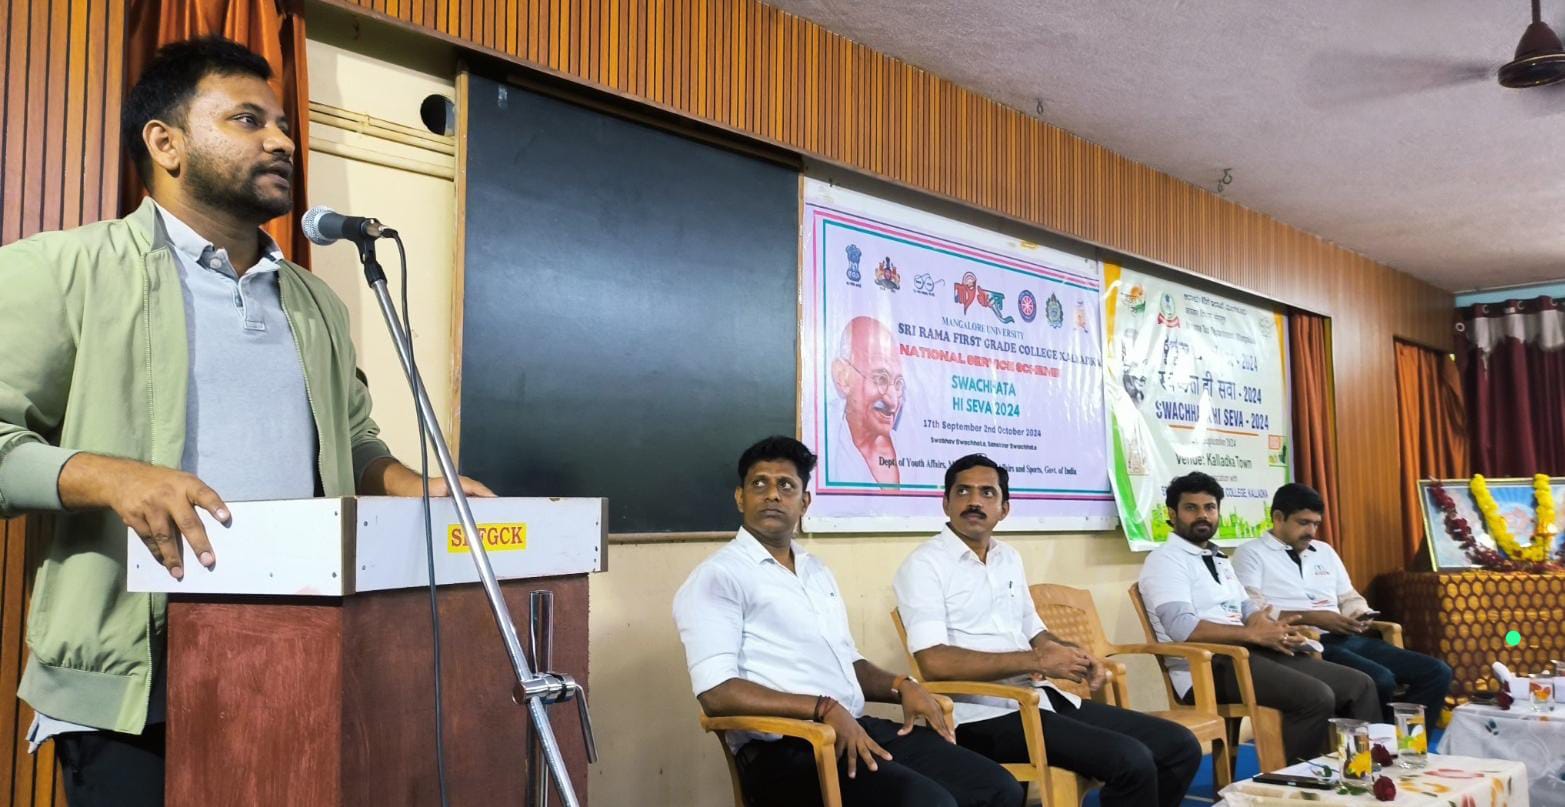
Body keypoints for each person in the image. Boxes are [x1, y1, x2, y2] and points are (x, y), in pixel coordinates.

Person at [0, 37, 491, 807]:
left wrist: (408, 483)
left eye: (283, 124)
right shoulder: (62, 269)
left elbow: (353, 440)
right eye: (247, 119)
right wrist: (109, 476)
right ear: (165, 143)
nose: (282, 140)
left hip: (301, 660)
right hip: (138, 693)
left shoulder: (315, 301)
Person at [673, 436, 1022, 807]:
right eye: (760, 484)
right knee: (929, 801)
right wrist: (823, 708)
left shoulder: (815, 571)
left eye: (786, 485)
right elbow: (716, 693)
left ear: (804, 502)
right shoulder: (718, 577)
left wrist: (902, 685)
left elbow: (847, 662)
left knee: (997, 787)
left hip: (851, 727)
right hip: (786, 752)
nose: (773, 494)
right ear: (740, 498)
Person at [894, 454, 1201, 807]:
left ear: (1004, 509)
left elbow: (1035, 632)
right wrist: (1036, 660)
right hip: (982, 716)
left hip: (1041, 698)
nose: (974, 501)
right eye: (963, 491)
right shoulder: (924, 565)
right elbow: (934, 662)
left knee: (1178, 746)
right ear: (945, 503)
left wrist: (1074, 655)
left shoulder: (1008, 558)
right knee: (1131, 760)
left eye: (987, 493)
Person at [1137, 472, 1379, 762]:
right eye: (1192, 508)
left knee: (1359, 685)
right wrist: (1251, 634)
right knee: (1316, 696)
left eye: (1210, 507)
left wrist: (1271, 630)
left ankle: (1365, 769)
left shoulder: (1218, 559)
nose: (1203, 515)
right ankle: (1295, 782)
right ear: (1172, 514)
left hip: (1248, 653)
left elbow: (1247, 608)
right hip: (1206, 667)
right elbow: (1181, 627)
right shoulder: (1165, 560)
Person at [1233, 483, 1452, 721]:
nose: (1311, 531)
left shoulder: (1324, 551)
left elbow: (1349, 597)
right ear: (1278, 517)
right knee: (1381, 679)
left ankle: (1401, 737)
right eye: (1303, 523)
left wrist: (1359, 614)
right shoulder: (1251, 553)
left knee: (1437, 672)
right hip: (1305, 642)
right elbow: (1252, 608)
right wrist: (1313, 617)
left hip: (1346, 636)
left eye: (1316, 524)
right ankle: (1378, 739)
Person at [828, 316, 904, 485]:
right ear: (843, 377)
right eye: (881, 379)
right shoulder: (822, 437)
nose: (893, 401)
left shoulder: (913, 447)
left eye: (898, 384)